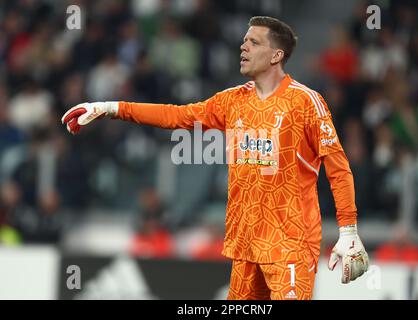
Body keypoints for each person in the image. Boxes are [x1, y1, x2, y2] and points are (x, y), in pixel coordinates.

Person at [62, 16, 369, 300]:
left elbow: (338, 168)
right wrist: (111, 108)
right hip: (246, 246)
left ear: (276, 55)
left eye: (254, 42)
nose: (243, 46)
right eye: (244, 40)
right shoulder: (231, 101)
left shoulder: (305, 102)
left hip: (290, 244)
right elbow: (176, 116)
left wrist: (349, 231)